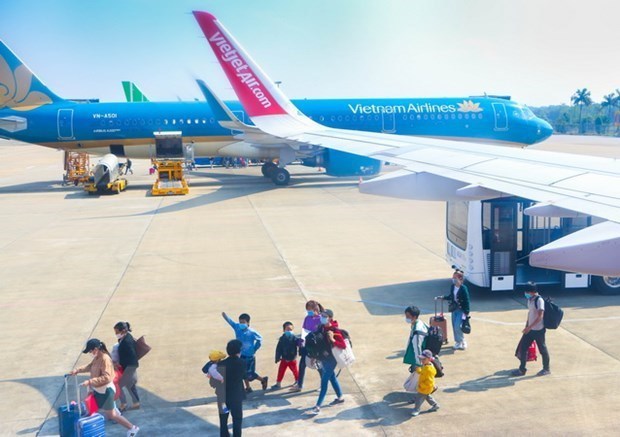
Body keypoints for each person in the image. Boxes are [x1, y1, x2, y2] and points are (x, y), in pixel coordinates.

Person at [71, 338, 140, 437]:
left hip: (106, 391)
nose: (90, 353)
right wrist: (77, 370)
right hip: (99, 390)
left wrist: (90, 381)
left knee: (111, 415)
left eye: (90, 351)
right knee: (95, 408)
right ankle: (112, 411)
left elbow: (107, 377)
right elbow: (89, 366)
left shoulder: (105, 359)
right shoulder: (97, 358)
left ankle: (132, 428)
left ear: (96, 349)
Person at [309, 309, 346, 415]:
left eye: (325, 316)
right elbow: (317, 343)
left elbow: (342, 345)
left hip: (332, 359)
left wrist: (332, 339)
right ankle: (340, 397)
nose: (322, 317)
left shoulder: (335, 330)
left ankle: (318, 406)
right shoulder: (321, 327)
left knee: (324, 381)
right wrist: (313, 356)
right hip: (323, 357)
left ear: (330, 317)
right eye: (322, 315)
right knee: (332, 377)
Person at [222, 312, 268, 392]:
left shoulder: (252, 332)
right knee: (242, 372)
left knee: (250, 374)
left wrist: (254, 348)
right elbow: (231, 322)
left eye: (243, 322)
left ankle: (263, 380)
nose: (241, 324)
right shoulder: (237, 327)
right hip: (240, 355)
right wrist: (225, 316)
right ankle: (248, 388)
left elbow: (260, 339)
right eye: (240, 322)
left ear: (248, 323)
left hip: (249, 356)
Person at [512, 282, 550, 376]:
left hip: (538, 330)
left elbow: (540, 316)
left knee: (542, 349)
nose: (525, 293)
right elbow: (530, 314)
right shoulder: (530, 299)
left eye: (527, 291)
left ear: (532, 291)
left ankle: (546, 369)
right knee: (523, 348)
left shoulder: (539, 300)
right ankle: (522, 369)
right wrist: (527, 326)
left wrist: (529, 327)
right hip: (529, 329)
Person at [290, 300, 323, 392]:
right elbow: (304, 330)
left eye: (310, 310)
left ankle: (323, 384)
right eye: (307, 310)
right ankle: (299, 385)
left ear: (315, 309)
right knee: (302, 364)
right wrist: (301, 341)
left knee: (318, 366)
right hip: (306, 344)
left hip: (316, 346)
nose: (308, 312)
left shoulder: (320, 319)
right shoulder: (307, 318)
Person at [218, 339, 247, 437]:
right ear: (239, 351)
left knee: (223, 420)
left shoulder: (220, 364)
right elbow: (246, 376)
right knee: (237, 419)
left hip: (222, 397)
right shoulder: (242, 363)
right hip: (236, 397)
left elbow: (214, 382)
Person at [440, 269, 471, 350]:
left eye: (455, 278)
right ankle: (458, 342)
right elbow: (451, 296)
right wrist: (444, 297)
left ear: (460, 279)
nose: (453, 279)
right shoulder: (453, 287)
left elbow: (467, 300)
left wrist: (467, 312)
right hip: (454, 309)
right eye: (453, 277)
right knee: (454, 326)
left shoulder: (463, 288)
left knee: (458, 326)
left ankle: (462, 341)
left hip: (461, 310)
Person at [113, 321, 140, 412]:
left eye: (117, 332)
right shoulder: (125, 338)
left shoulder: (127, 341)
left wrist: (121, 365)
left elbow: (131, 356)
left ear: (123, 330)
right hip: (129, 367)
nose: (116, 334)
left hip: (129, 367)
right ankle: (136, 403)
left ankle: (123, 404)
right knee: (130, 385)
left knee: (119, 385)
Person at [411, 350, 440, 417]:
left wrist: (421, 385)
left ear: (429, 359)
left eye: (424, 359)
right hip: (427, 388)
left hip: (425, 388)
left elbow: (429, 382)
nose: (422, 360)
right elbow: (423, 373)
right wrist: (418, 370)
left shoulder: (429, 369)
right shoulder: (426, 366)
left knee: (418, 399)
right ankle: (435, 405)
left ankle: (416, 410)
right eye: (421, 359)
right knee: (427, 397)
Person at [272, 321, 299, 389]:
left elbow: (299, 345)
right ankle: (278, 383)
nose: (289, 331)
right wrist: (277, 357)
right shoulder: (282, 339)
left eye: (291, 329)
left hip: (292, 359)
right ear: (284, 330)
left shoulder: (294, 338)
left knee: (295, 371)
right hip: (284, 358)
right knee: (281, 371)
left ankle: (298, 381)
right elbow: (278, 349)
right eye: (287, 329)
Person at [203, 350, 228, 415]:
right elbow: (215, 374)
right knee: (221, 397)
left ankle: (223, 409)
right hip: (217, 381)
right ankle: (224, 410)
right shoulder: (214, 366)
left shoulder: (211, 363)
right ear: (217, 360)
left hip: (215, 381)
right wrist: (221, 378)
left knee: (220, 396)